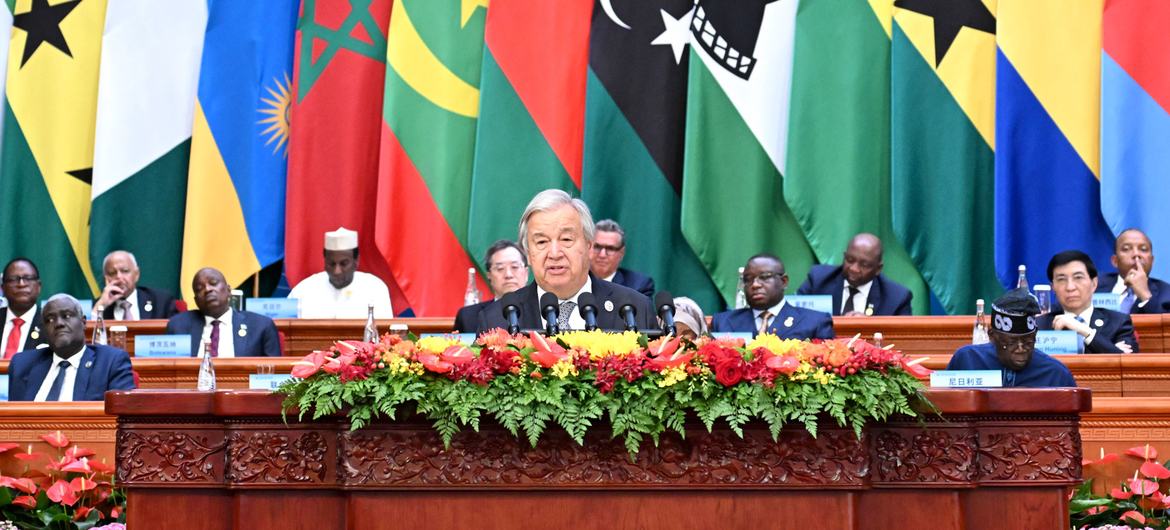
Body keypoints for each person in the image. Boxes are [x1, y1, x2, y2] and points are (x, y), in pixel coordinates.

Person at [476, 190, 655, 333]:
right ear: (528, 255)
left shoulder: (634, 308)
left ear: (588, 246)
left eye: (566, 239)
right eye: (541, 242)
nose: (554, 253)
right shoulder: (496, 320)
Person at [7, 294, 135, 401]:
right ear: (44, 330)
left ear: (83, 322)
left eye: (67, 316)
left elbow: (123, 418)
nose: (59, 323)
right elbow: (12, 421)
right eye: (50, 320)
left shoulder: (110, 362)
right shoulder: (22, 364)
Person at [947, 288, 1076, 387]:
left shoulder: (1056, 374)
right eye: (1011, 342)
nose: (1021, 349)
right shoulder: (967, 360)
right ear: (992, 336)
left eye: (1028, 341)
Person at [710, 254, 834, 340]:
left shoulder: (815, 322)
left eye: (764, 277)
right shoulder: (722, 322)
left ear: (784, 281)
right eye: (748, 279)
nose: (755, 285)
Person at [1037, 250, 1138, 354]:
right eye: (1061, 279)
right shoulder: (1039, 326)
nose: (1070, 287)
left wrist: (1085, 331)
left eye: (1078, 278)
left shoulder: (1118, 322)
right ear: (1053, 287)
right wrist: (1111, 348)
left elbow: (1127, 363)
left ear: (1094, 284)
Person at [167, 268, 281, 357]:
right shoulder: (178, 326)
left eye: (213, 283)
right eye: (199, 288)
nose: (207, 289)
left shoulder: (260, 326)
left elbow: (275, 374)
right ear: (196, 300)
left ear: (229, 290)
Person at [288, 227, 393, 318]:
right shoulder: (303, 290)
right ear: (324, 261)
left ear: (356, 261)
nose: (337, 271)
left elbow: (385, 333)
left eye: (343, 264)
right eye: (331, 264)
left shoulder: (375, 288)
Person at [797, 233, 912, 316]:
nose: (854, 269)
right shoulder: (818, 280)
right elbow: (793, 317)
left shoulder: (896, 298)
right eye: (850, 260)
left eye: (864, 265)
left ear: (878, 269)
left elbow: (902, 341)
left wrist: (868, 328)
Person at [454, 240, 528, 333]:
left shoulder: (542, 312)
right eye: (500, 269)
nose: (508, 275)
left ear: (526, 273)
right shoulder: (468, 317)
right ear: (489, 275)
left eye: (515, 267)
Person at [1096, 228, 1170, 314]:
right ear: (1115, 261)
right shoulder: (1093, 286)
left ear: (1152, 261)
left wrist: (1145, 295)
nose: (1136, 254)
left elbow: (1165, 326)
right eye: (1126, 249)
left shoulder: (1167, 294)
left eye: (1143, 249)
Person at [95, 250, 179, 320]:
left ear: (136, 274)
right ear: (105, 278)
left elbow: (176, 334)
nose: (119, 277)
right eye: (112, 273)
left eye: (125, 271)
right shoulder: (98, 306)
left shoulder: (161, 302)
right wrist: (101, 305)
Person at [590, 219, 655, 298]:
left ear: (621, 253)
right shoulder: (574, 280)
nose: (602, 255)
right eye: (597, 247)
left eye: (610, 249)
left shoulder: (638, 286)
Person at [1, 257, 48, 358]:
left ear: (38, 286)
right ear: (3, 288)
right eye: (14, 279)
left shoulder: (50, 324)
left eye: (28, 278)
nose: (21, 284)